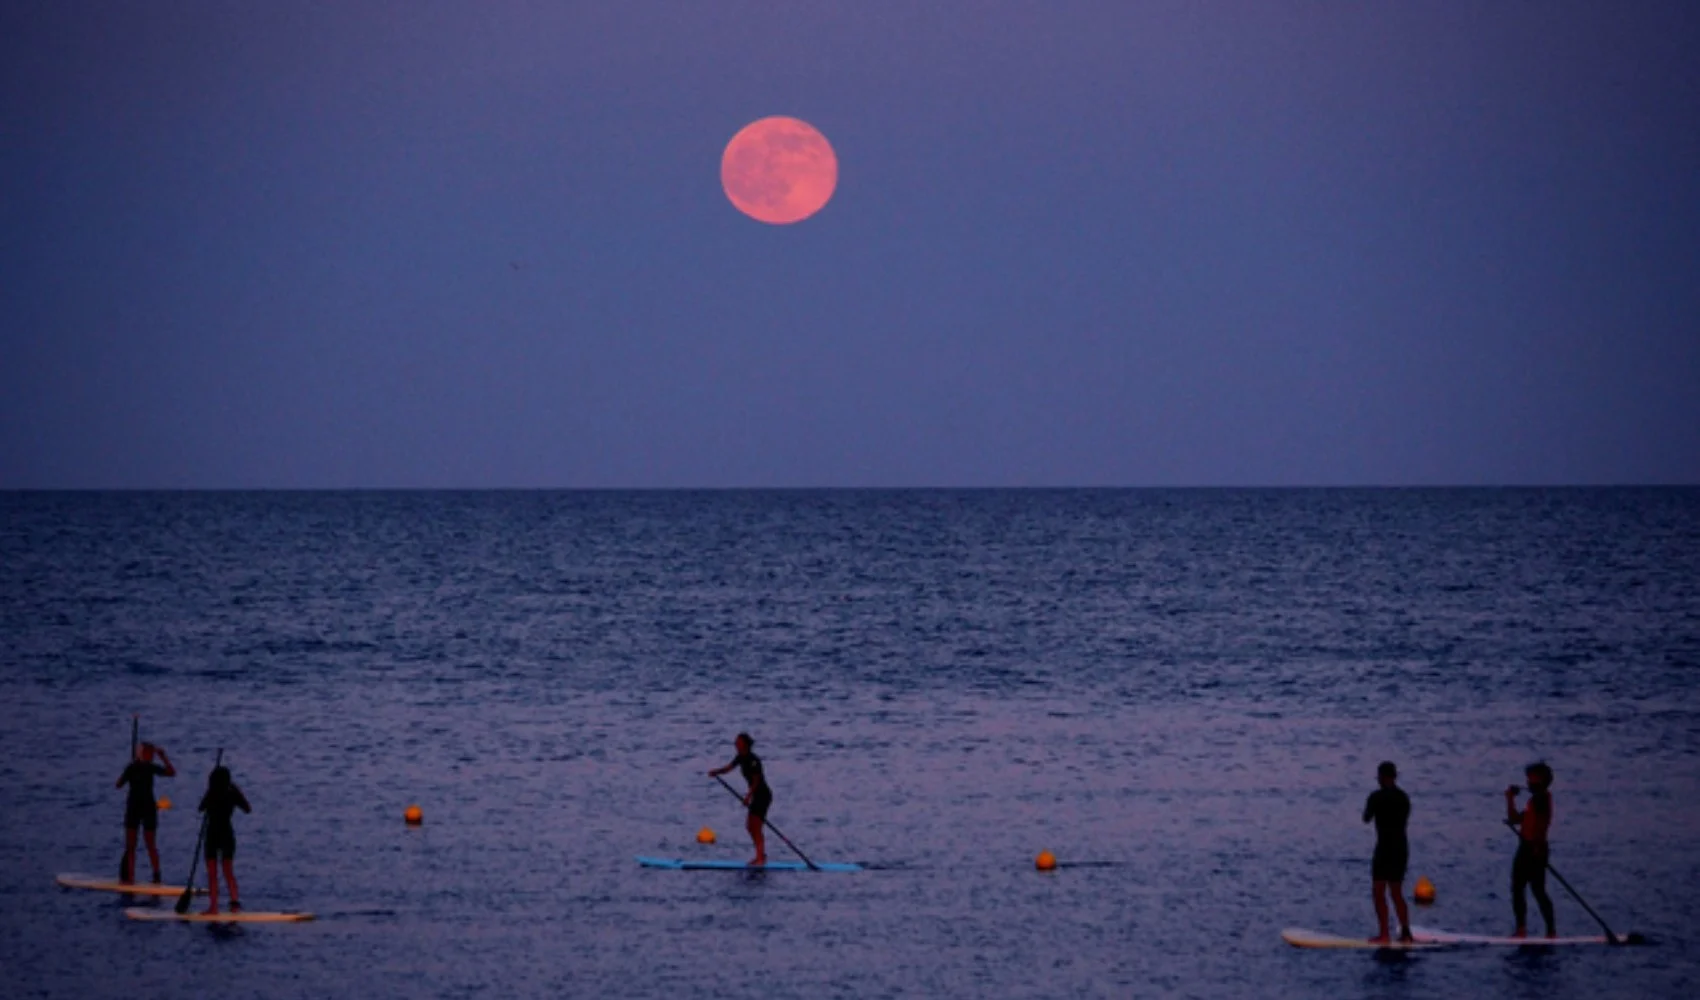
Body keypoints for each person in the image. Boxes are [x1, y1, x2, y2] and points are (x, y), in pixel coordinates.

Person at [1362, 760, 1413, 943]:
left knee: (1378, 891)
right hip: (1401, 848)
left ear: (1382, 777)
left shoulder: (1376, 797)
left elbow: (1366, 818)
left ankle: (1384, 934)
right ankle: (1406, 932)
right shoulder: (1403, 798)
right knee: (1396, 892)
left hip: (1384, 848)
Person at [1506, 761, 1556, 938]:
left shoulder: (1542, 799)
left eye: (1531, 778)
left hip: (1534, 849)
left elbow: (1541, 825)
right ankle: (1523, 929)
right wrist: (1510, 799)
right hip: (1527, 848)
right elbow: (1515, 819)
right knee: (1520, 888)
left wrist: (1537, 848)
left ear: (1541, 780)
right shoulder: (1534, 800)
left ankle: (1549, 931)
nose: (1528, 782)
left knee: (1536, 890)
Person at [707, 732, 771, 865]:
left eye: (738, 742)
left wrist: (748, 796)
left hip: (763, 796)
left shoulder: (754, 760)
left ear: (745, 744)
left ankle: (760, 857)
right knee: (750, 826)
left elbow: (756, 781)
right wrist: (716, 772)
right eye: (736, 742)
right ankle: (760, 855)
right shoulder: (740, 757)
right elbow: (728, 768)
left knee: (756, 826)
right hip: (756, 796)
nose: (736, 744)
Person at [116, 742, 175, 883]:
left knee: (148, 844)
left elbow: (172, 773)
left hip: (146, 808)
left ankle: (156, 875)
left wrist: (163, 757)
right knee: (132, 845)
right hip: (136, 809)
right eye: (150, 753)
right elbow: (118, 784)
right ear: (143, 754)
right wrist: (128, 770)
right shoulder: (135, 768)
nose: (152, 756)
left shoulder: (145, 767)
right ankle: (131, 876)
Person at [198, 765, 251, 915]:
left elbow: (201, 808)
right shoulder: (232, 793)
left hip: (213, 834)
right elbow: (247, 809)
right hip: (226, 834)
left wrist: (209, 792)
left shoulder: (212, 793)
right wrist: (237, 791)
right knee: (228, 870)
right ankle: (234, 903)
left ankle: (214, 907)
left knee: (212, 873)